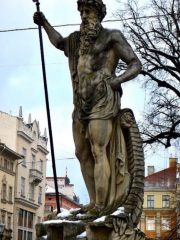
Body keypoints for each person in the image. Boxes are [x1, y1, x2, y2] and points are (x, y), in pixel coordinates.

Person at [34, 0, 142, 217]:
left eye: (88, 11)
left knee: (98, 150)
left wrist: (116, 80)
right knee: (82, 153)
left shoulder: (112, 37)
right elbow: (59, 43)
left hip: (102, 101)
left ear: (98, 14)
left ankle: (101, 206)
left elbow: (135, 64)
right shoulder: (76, 40)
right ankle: (93, 202)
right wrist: (44, 23)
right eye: (81, 11)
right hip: (80, 104)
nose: (83, 15)